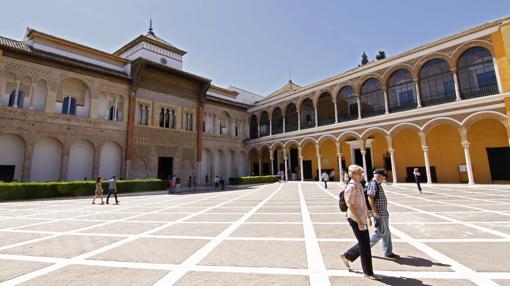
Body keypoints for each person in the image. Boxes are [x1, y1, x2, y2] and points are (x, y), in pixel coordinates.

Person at [340, 165, 378, 280]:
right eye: (359, 173)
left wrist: (368, 216)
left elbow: (363, 202)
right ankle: (368, 272)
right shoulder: (351, 187)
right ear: (353, 174)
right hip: (354, 218)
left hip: (361, 217)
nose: (362, 175)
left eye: (362, 173)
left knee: (365, 243)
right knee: (365, 244)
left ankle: (347, 255)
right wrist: (359, 220)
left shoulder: (360, 185)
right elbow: (349, 205)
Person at [367, 168, 400, 259]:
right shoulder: (374, 184)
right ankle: (363, 248)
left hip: (383, 213)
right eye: (383, 176)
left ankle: (388, 252)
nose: (384, 178)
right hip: (379, 213)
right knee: (380, 232)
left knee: (386, 233)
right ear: (379, 176)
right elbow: (370, 197)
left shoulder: (377, 184)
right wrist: (375, 212)